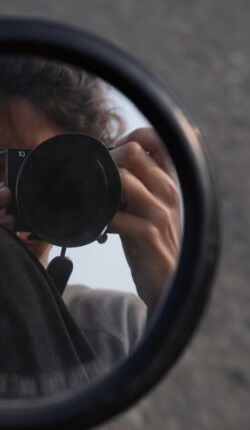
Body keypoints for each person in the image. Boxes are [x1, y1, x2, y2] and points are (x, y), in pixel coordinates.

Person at [0, 56, 181, 379]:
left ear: (85, 195)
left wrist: (169, 294)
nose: (2, 196)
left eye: (29, 178)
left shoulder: (118, 329)